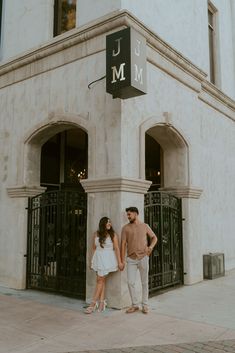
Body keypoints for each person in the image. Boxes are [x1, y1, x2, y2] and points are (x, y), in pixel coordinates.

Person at [121, 206, 157, 314]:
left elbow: (154, 238)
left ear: (136, 214)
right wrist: (122, 260)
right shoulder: (125, 228)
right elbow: (122, 244)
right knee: (130, 282)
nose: (128, 216)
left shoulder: (145, 226)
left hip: (143, 257)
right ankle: (135, 305)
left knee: (144, 282)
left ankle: (145, 305)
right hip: (131, 258)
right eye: (127, 214)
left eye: (129, 214)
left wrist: (150, 247)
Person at [84, 217, 122, 314]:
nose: (109, 224)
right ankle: (102, 302)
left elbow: (117, 248)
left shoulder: (113, 235)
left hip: (108, 259)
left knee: (99, 280)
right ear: (103, 224)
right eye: (107, 222)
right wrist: (91, 261)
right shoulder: (96, 234)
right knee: (102, 280)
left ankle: (92, 304)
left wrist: (120, 262)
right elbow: (93, 248)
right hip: (98, 258)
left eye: (110, 222)